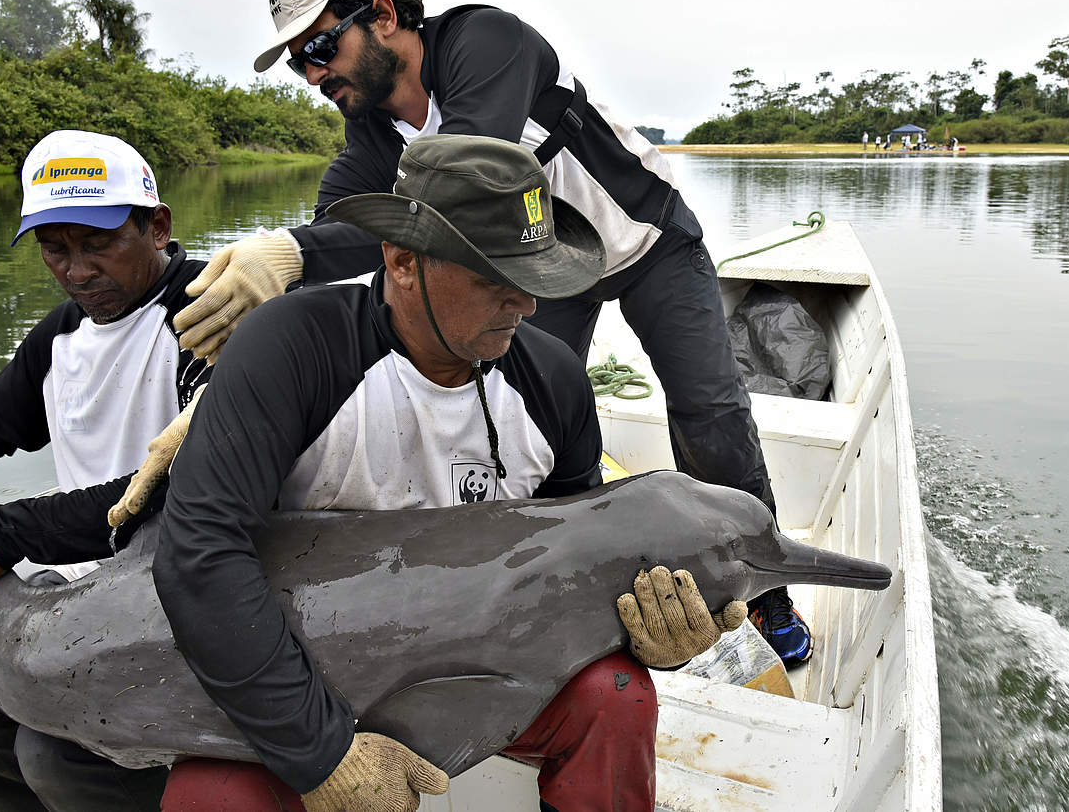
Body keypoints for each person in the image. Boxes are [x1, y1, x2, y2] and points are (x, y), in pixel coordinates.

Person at [168, 0, 810, 665]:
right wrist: (228, 385)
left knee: (710, 411)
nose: (314, 74)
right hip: (541, 275)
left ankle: (768, 594)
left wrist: (293, 253)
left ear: (383, 14)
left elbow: (458, 194)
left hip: (645, 241)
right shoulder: (372, 140)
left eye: (321, 45)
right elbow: (354, 238)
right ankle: (561, 597)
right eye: (297, 61)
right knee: (531, 419)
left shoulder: (485, 43)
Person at [143, 135, 744, 812]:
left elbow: (585, 561)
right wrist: (323, 754)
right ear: (403, 261)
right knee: (210, 797)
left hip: (482, 667)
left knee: (618, 697)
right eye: (497, 279)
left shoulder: (553, 382)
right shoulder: (293, 348)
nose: (528, 305)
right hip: (309, 663)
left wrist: (656, 639)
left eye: (536, 275)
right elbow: (200, 555)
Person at [0, 130, 210, 812]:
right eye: (55, 249)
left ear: (157, 225)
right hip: (87, 592)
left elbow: (183, 490)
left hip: (190, 594)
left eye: (97, 243)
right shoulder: (63, 335)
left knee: (54, 752)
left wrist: (6, 529)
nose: (76, 272)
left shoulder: (211, 315)